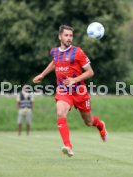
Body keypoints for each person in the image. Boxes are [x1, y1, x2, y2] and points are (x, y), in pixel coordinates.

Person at [33, 25, 108, 157]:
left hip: (79, 92)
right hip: (63, 91)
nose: (69, 38)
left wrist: (75, 80)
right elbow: (55, 62)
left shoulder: (77, 52)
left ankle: (100, 125)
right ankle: (68, 146)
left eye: (71, 36)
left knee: (89, 122)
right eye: (66, 35)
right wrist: (42, 74)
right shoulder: (54, 52)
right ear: (60, 36)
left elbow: (90, 72)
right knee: (60, 112)